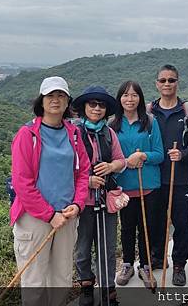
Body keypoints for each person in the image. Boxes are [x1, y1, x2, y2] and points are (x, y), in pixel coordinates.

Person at [10, 76, 90, 306]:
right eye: (50, 95)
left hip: (66, 216)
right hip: (34, 219)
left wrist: (77, 204)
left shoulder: (73, 134)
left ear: (67, 103)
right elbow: (22, 183)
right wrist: (48, 215)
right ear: (41, 101)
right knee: (34, 281)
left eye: (61, 96)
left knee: (62, 279)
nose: (55, 100)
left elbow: (83, 172)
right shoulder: (27, 135)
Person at [148, 64, 188, 286]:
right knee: (157, 222)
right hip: (155, 177)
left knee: (181, 223)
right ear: (157, 84)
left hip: (181, 178)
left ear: (177, 82)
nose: (167, 84)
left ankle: (179, 263)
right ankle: (160, 258)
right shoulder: (149, 112)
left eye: (171, 80)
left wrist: (183, 154)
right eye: (163, 80)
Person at [72, 86, 126, 306]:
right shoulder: (73, 133)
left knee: (107, 250)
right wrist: (87, 180)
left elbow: (121, 162)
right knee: (83, 249)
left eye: (101, 105)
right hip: (82, 202)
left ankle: (107, 291)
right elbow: (67, 167)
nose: (96, 108)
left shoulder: (108, 133)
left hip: (105, 201)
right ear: (84, 107)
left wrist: (111, 166)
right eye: (92, 104)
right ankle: (86, 284)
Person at [110, 81, 164, 289]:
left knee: (146, 227)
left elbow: (159, 154)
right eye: (125, 95)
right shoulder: (112, 125)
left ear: (140, 98)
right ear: (119, 99)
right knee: (127, 227)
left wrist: (142, 155)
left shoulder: (150, 122)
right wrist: (124, 162)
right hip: (124, 185)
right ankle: (127, 264)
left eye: (134, 95)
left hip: (148, 185)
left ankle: (146, 265)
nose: (129, 99)